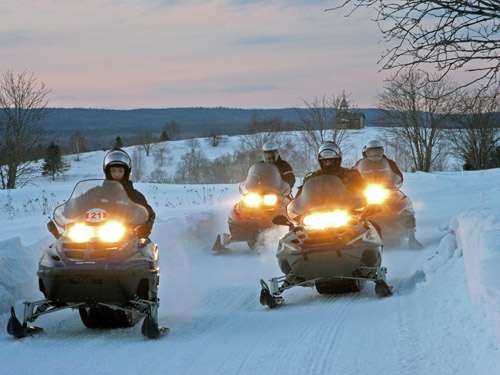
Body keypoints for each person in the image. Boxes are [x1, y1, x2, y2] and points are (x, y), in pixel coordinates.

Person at [354, 140, 422, 249]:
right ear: (366, 152)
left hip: (387, 191)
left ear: (382, 151)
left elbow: (398, 175)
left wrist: (395, 182)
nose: (375, 154)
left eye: (378, 151)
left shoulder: (389, 163)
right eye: (372, 152)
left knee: (405, 203)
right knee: (353, 212)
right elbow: (352, 176)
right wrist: (354, 186)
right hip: (366, 193)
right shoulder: (360, 164)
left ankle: (412, 238)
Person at [102, 148, 156, 238]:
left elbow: (149, 214)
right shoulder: (98, 193)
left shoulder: (135, 196)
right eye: (113, 171)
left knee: (145, 248)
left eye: (120, 171)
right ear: (108, 172)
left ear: (126, 173)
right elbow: (80, 203)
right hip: (98, 235)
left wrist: (141, 231)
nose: (116, 174)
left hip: (127, 238)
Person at [298, 141, 365, 198]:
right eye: (325, 160)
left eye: (331, 160)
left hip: (346, 210)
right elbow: (300, 198)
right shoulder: (312, 177)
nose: (327, 162)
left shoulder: (352, 175)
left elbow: (362, 194)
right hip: (318, 210)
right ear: (320, 161)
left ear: (337, 160)